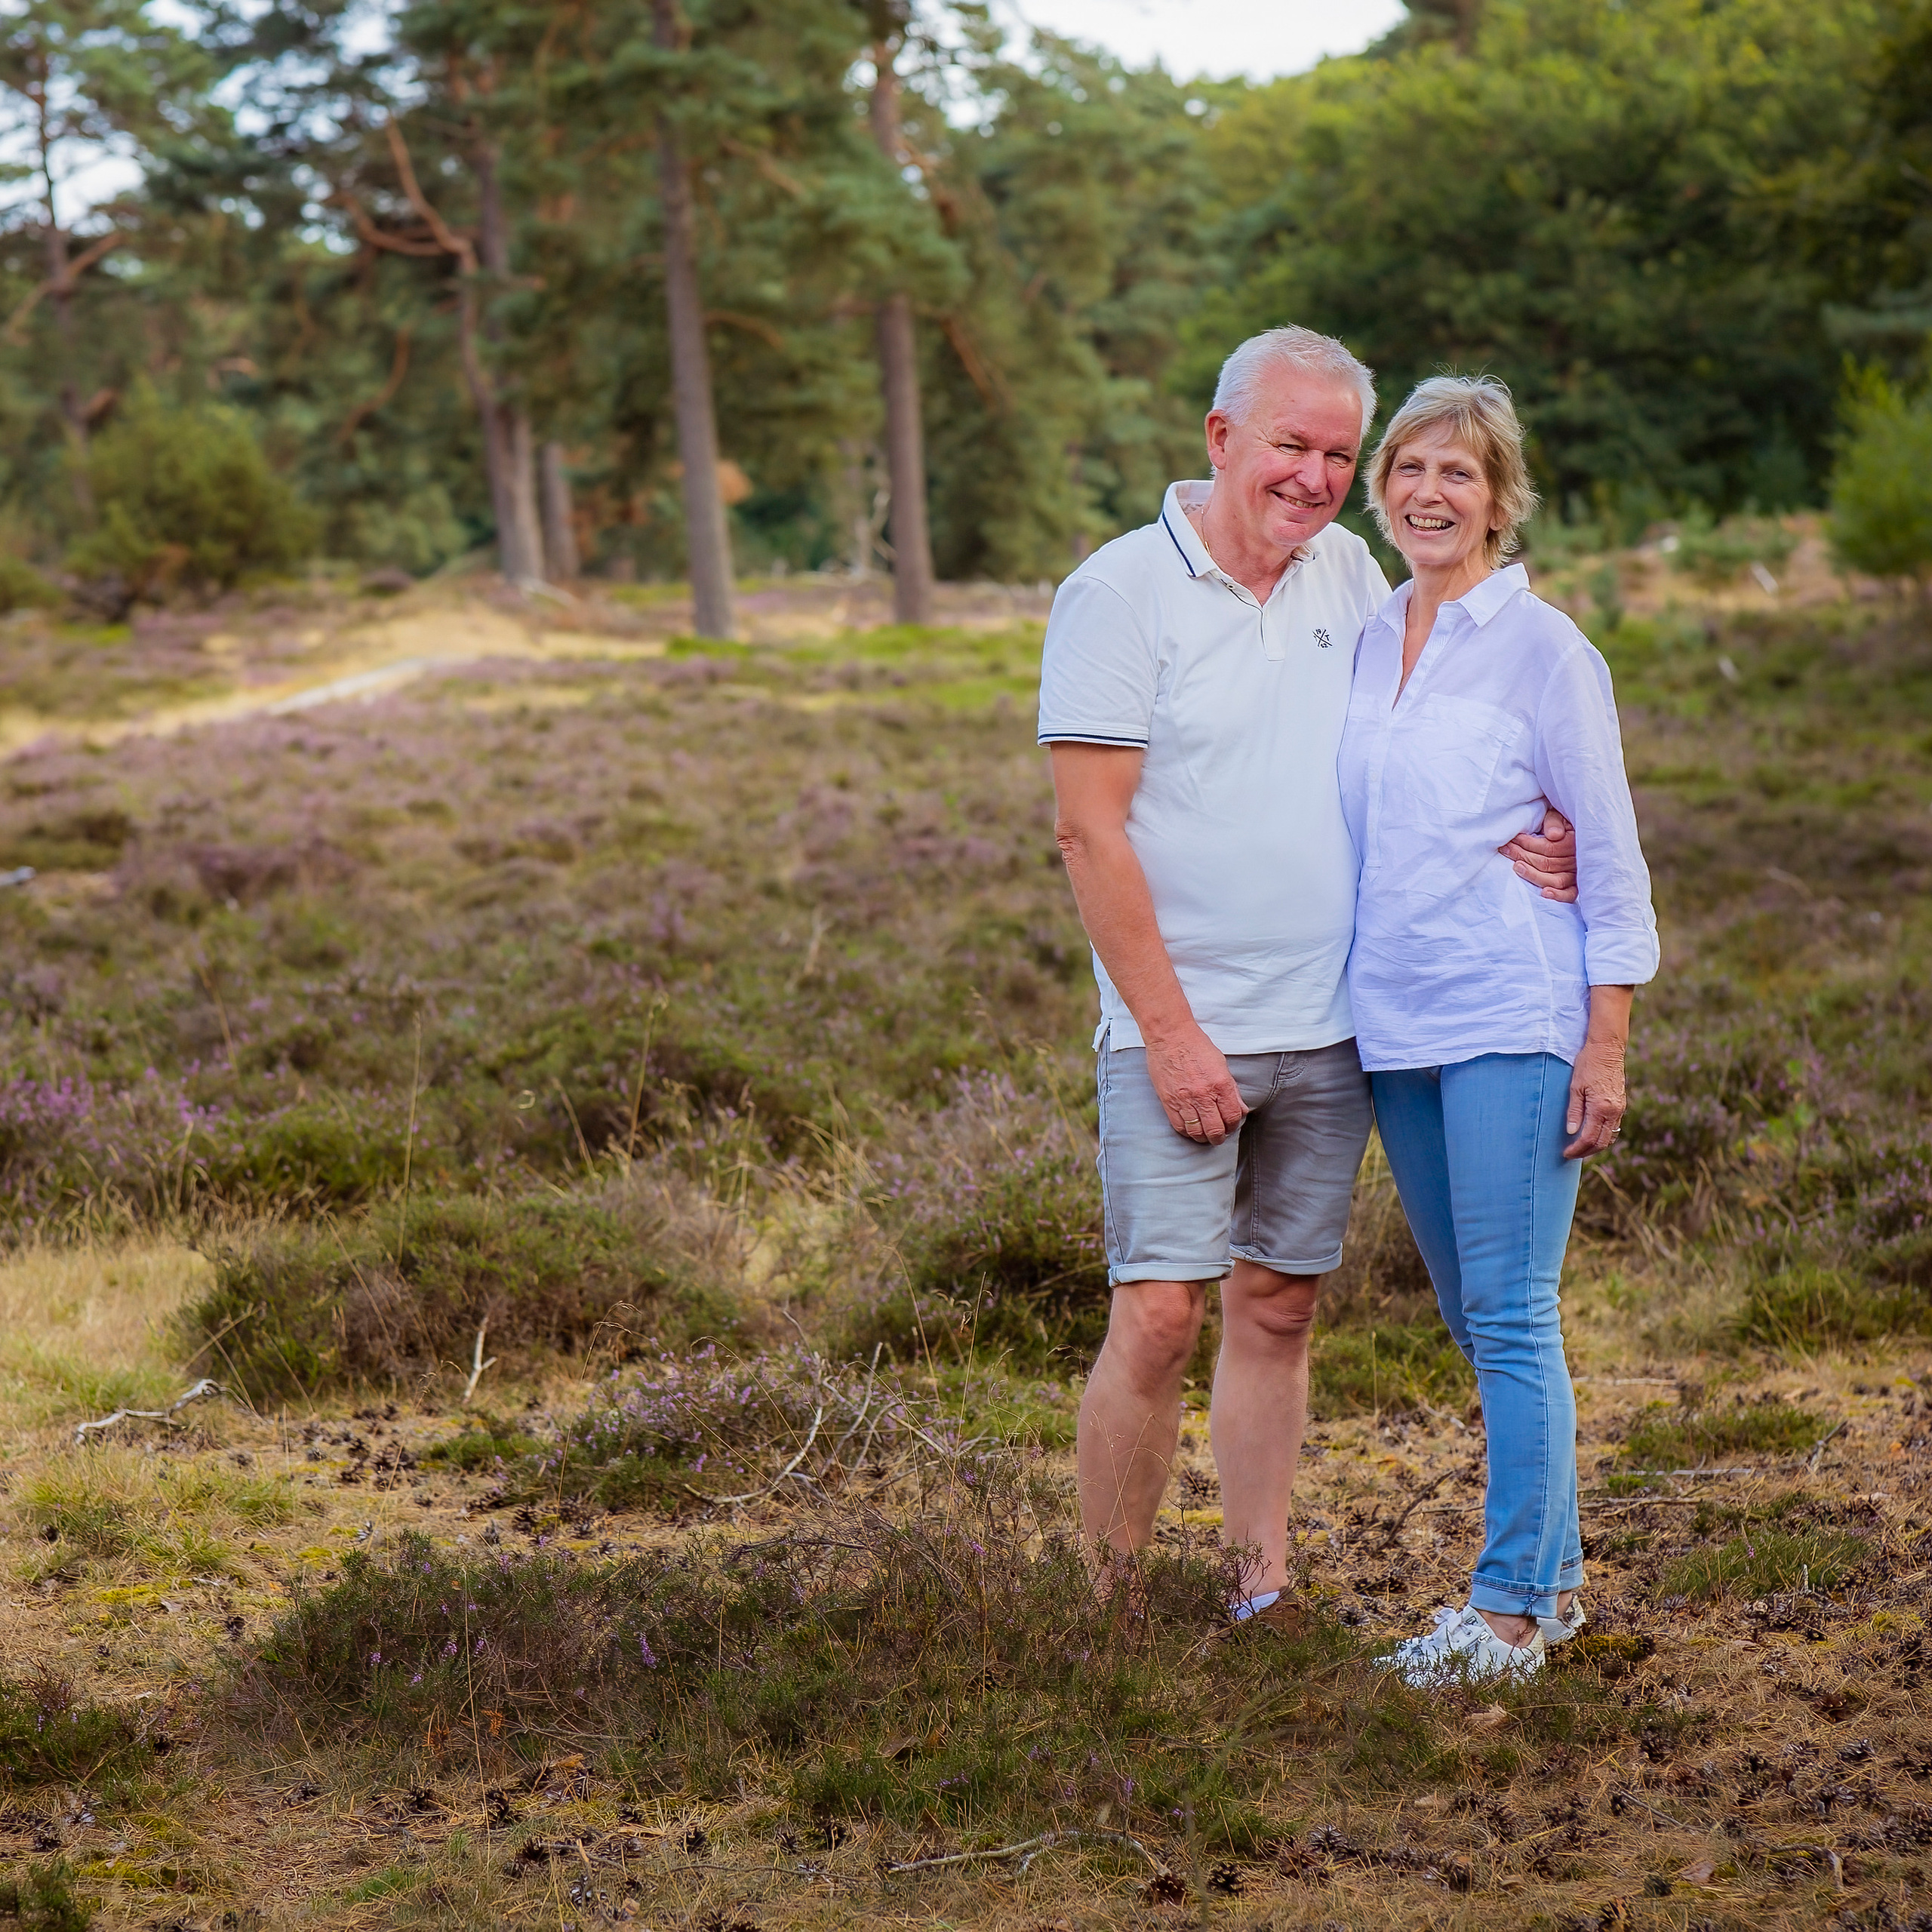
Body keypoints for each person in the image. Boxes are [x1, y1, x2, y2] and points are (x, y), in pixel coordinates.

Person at [1039, 328, 1578, 1626]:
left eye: (1340, 454)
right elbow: (1089, 834)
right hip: (1180, 1026)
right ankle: (1104, 1614)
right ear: (1221, 437)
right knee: (1160, 1315)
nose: (1315, 477)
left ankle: (1258, 1591)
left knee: (1278, 1309)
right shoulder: (1117, 593)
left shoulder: (1352, 572)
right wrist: (1172, 1034)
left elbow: (1442, 720)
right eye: (1291, 445)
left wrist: (1546, 821)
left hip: (1338, 1027)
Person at [1339, 374, 1660, 1682]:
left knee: (1514, 1316)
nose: (1431, 493)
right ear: (1383, 488)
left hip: (1511, 1014)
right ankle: (1556, 1583)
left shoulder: (1548, 652)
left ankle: (1511, 1615)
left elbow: (1612, 852)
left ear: (1499, 497)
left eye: (1458, 473)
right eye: (1411, 468)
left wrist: (1606, 1041)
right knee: (1477, 1320)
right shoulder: (1366, 636)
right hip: (1391, 1022)